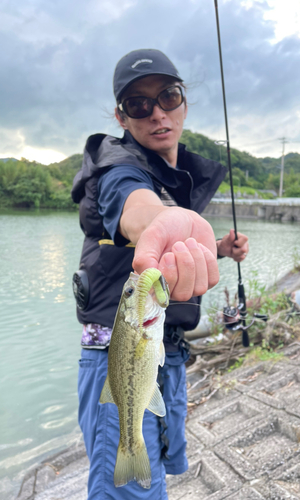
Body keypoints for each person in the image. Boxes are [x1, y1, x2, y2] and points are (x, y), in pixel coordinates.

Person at [72, 48, 249, 500]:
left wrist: (217, 250)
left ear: (183, 102)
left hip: (163, 356)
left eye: (167, 96)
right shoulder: (117, 166)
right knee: (129, 491)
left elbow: (171, 254)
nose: (156, 113)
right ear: (121, 116)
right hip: (120, 358)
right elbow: (135, 206)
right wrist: (160, 223)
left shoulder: (174, 175)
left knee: (154, 480)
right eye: (138, 104)